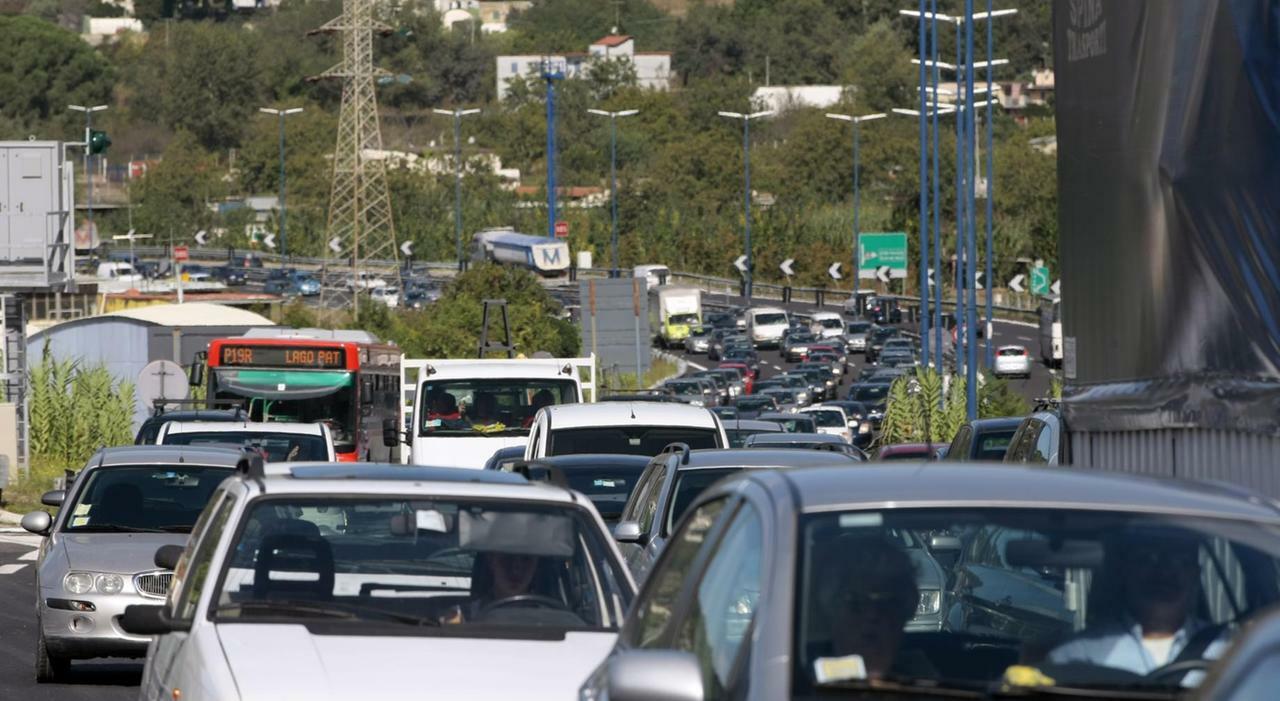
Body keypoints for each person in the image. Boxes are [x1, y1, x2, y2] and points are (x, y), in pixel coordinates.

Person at [1046, 529, 1229, 681]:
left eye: (1179, 561)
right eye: (1148, 559)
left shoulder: (1230, 649)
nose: (1164, 572)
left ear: (1195, 575)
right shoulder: (1078, 655)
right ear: (1125, 573)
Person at [811, 537, 927, 681]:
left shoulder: (930, 683)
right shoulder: (797, 683)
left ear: (904, 614)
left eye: (886, 602)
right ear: (830, 612)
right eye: (855, 602)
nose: (872, 614)